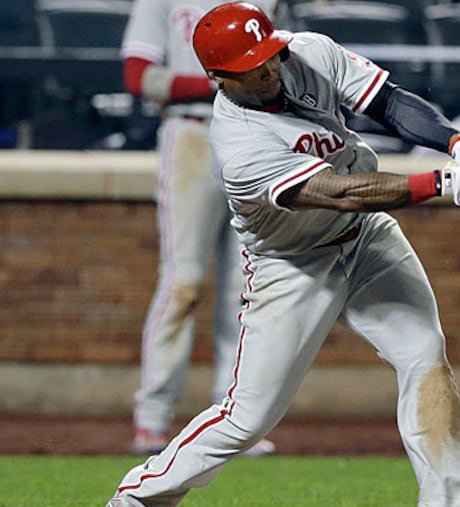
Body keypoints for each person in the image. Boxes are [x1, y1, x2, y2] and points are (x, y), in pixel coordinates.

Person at [107, 2, 460, 506]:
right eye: (252, 66)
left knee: (424, 354)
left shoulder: (308, 51)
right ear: (220, 78)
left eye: (269, 54)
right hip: (292, 262)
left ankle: (449, 501)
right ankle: (138, 496)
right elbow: (341, 191)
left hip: (365, 235)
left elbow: (389, 102)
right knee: (247, 419)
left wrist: (457, 144)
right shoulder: (239, 143)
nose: (269, 68)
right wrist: (440, 182)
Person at [120, 0, 278, 457]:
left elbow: (276, 72)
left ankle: (237, 421)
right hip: (189, 134)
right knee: (183, 282)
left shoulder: (259, 2)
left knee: (243, 290)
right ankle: (151, 417)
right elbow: (139, 76)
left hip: (251, 138)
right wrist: (224, 82)